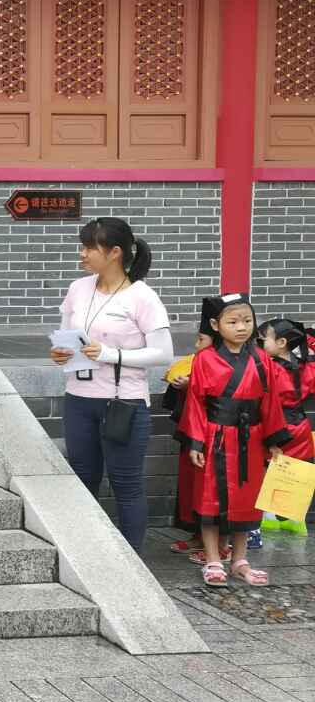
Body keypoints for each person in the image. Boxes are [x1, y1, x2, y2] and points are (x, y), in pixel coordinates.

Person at [51, 217, 173, 550]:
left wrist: (111, 354)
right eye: (83, 246)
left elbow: (163, 353)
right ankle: (82, 554)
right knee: (82, 479)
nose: (82, 254)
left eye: (90, 247)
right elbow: (67, 335)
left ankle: (132, 561)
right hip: (79, 398)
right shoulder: (78, 288)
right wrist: (61, 353)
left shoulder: (142, 296)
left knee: (126, 483)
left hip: (123, 403)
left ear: (115, 252)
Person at [184, 294, 290, 587]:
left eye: (247, 320)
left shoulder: (261, 359)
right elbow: (195, 403)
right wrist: (196, 442)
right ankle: (213, 559)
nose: (241, 327)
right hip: (216, 436)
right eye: (232, 321)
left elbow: (270, 401)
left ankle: (240, 560)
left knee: (246, 499)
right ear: (215, 325)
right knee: (210, 499)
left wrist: (273, 440)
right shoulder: (205, 359)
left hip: (251, 438)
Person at [164, 311, 221, 560]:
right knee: (191, 488)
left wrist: (193, 385)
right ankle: (198, 537)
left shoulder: (231, 364)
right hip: (193, 431)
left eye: (201, 339)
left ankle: (220, 547)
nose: (196, 345)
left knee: (213, 491)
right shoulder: (195, 361)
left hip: (219, 435)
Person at [260, 317, 315, 536]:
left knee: (269, 470)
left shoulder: (269, 368)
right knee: (297, 471)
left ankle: (269, 518)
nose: (260, 344)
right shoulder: (305, 367)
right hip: (301, 426)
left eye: (264, 339)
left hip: (277, 425)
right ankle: (295, 520)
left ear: (281, 343)